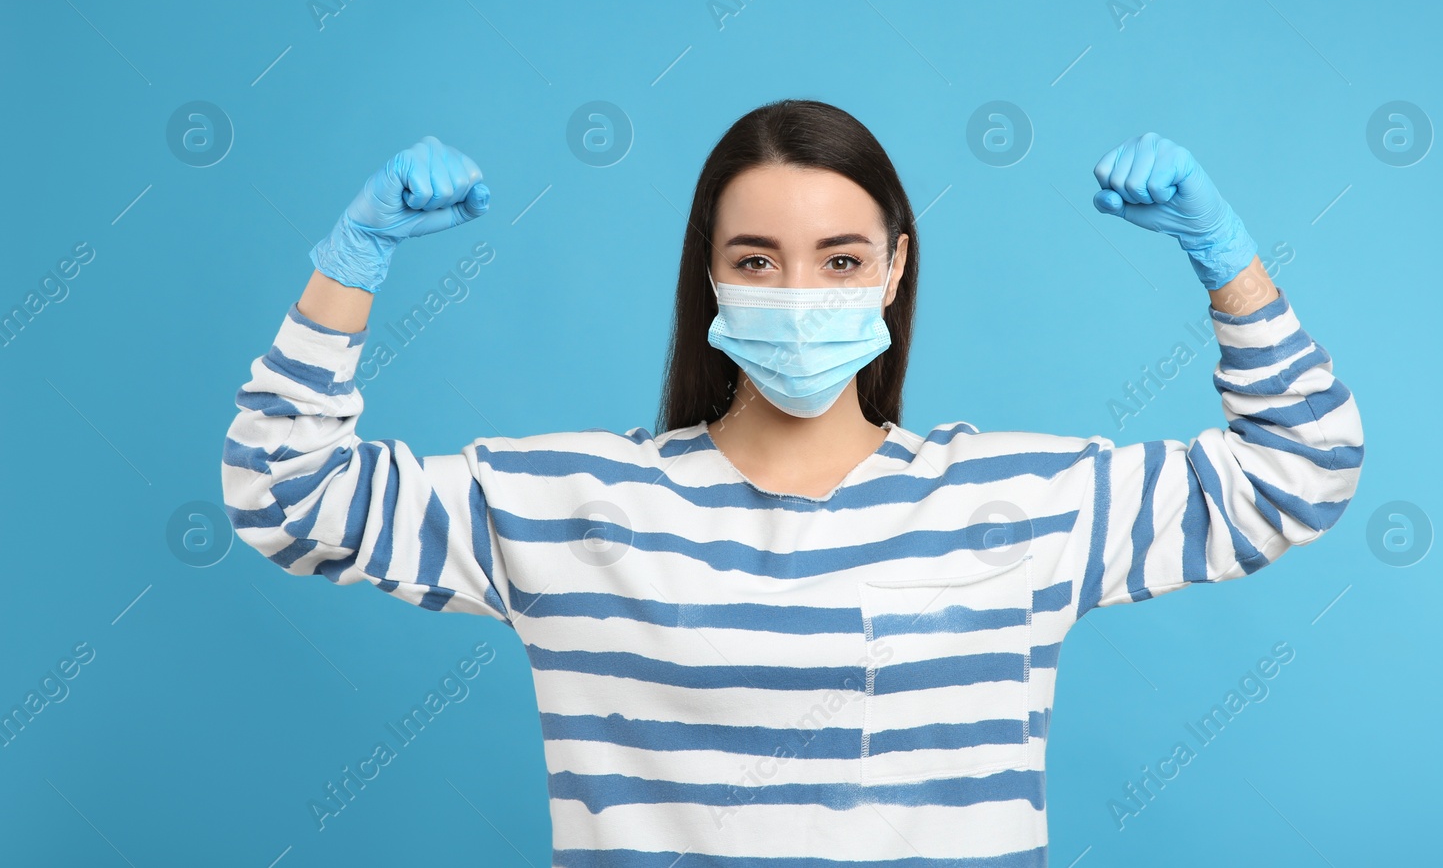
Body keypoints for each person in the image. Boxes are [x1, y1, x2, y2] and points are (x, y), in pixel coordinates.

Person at [221, 99, 1363, 864]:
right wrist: (347, 269)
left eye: (841, 259)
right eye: (756, 259)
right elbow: (284, 492)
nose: (799, 290)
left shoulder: (1013, 501)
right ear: (710, 276)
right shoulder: (576, 505)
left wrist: (1232, 270)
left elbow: (1298, 472)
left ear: (894, 266)